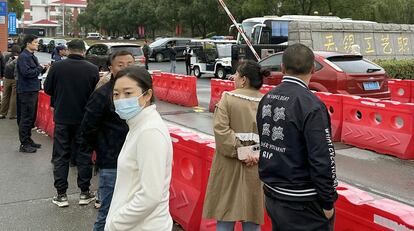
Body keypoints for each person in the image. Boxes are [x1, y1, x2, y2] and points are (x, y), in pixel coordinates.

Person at [257, 43, 338, 231]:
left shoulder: (267, 98)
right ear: (313, 69)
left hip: (273, 195)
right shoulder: (312, 105)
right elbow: (323, 158)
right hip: (303, 202)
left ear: (283, 68)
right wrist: (328, 202)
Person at [203, 60, 269, 231]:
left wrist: (242, 152)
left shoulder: (228, 98)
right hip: (255, 166)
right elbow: (273, 139)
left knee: (225, 215)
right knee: (252, 218)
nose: (234, 78)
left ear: (243, 80)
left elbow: (221, 132)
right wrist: (255, 154)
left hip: (228, 165)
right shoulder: (267, 103)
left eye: (236, 75)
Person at [105, 66, 173, 231]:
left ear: (147, 95)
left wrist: (116, 223)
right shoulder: (138, 125)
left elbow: (150, 195)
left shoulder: (149, 131)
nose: (120, 99)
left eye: (128, 93)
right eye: (116, 94)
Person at [80, 51, 134, 231]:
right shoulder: (102, 94)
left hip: (135, 161)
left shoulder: (139, 93)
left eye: (130, 63)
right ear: (110, 68)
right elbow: (88, 127)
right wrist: (102, 150)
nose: (126, 68)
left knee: (130, 212)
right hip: (112, 162)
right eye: (121, 65)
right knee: (109, 212)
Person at [44, 39, 99, 207]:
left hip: (62, 118)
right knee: (84, 155)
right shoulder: (92, 69)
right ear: (83, 51)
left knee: (61, 156)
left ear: (68, 50)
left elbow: (47, 89)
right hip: (83, 119)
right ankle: (84, 192)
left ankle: (61, 195)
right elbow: (95, 94)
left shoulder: (57, 67)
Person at [16, 34, 49, 153]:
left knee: (31, 117)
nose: (37, 44)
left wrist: (43, 68)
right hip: (26, 90)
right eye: (35, 42)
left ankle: (28, 139)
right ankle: (24, 143)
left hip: (32, 89)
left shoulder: (31, 56)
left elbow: (35, 71)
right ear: (28, 44)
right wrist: (40, 68)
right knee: (26, 117)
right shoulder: (23, 56)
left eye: (37, 42)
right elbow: (27, 73)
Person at [0, 45, 21, 119]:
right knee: (14, 97)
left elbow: (3, 65)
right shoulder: (19, 58)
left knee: (5, 96)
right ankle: (12, 115)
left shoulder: (6, 56)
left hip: (6, 78)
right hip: (15, 78)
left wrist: (3, 75)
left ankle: (2, 113)